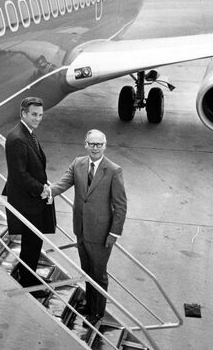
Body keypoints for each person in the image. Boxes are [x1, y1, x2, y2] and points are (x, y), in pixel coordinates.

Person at [48, 129, 127, 324]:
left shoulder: (113, 170)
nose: (95, 148)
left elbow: (121, 205)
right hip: (81, 228)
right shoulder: (78, 164)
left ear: (104, 146)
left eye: (99, 144)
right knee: (87, 270)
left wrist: (114, 233)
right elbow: (64, 183)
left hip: (102, 234)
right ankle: (90, 304)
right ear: (85, 144)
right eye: (91, 144)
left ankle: (98, 312)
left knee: (98, 273)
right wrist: (48, 192)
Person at [2, 96, 55, 297]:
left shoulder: (28, 134)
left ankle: (30, 277)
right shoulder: (17, 138)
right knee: (31, 243)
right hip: (27, 200)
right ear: (23, 113)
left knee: (34, 242)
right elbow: (19, 174)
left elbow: (33, 166)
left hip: (32, 197)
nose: (38, 119)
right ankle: (29, 284)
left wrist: (43, 183)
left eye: (40, 115)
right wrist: (41, 189)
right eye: (34, 114)